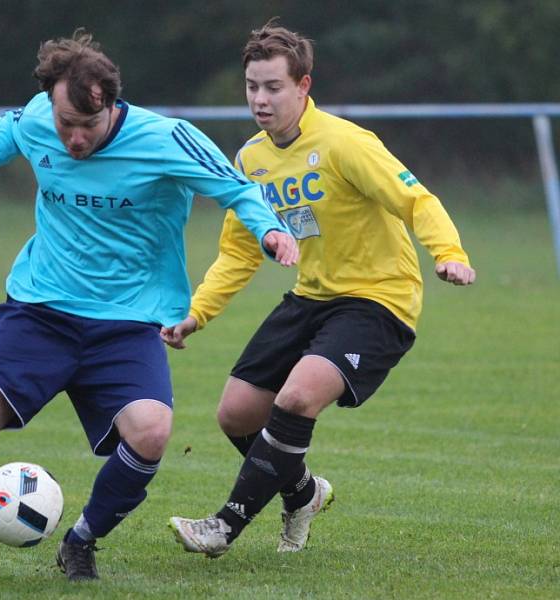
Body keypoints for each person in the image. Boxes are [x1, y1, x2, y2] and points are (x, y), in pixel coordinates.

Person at [0, 30, 296, 585]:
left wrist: (270, 232)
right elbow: (7, 132)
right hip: (39, 312)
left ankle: (81, 541)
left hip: (125, 323)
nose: (72, 139)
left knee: (150, 432)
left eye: (86, 127)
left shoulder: (166, 138)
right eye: (63, 124)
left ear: (110, 105)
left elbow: (238, 190)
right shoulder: (38, 117)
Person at [162, 20, 476, 558]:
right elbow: (240, 251)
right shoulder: (250, 160)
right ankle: (304, 494)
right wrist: (196, 313)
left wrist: (449, 254)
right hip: (312, 296)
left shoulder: (345, 143)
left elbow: (416, 200)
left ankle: (224, 526)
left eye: (273, 87)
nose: (260, 100)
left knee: (297, 396)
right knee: (236, 414)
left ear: (304, 86)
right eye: (252, 87)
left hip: (379, 299)